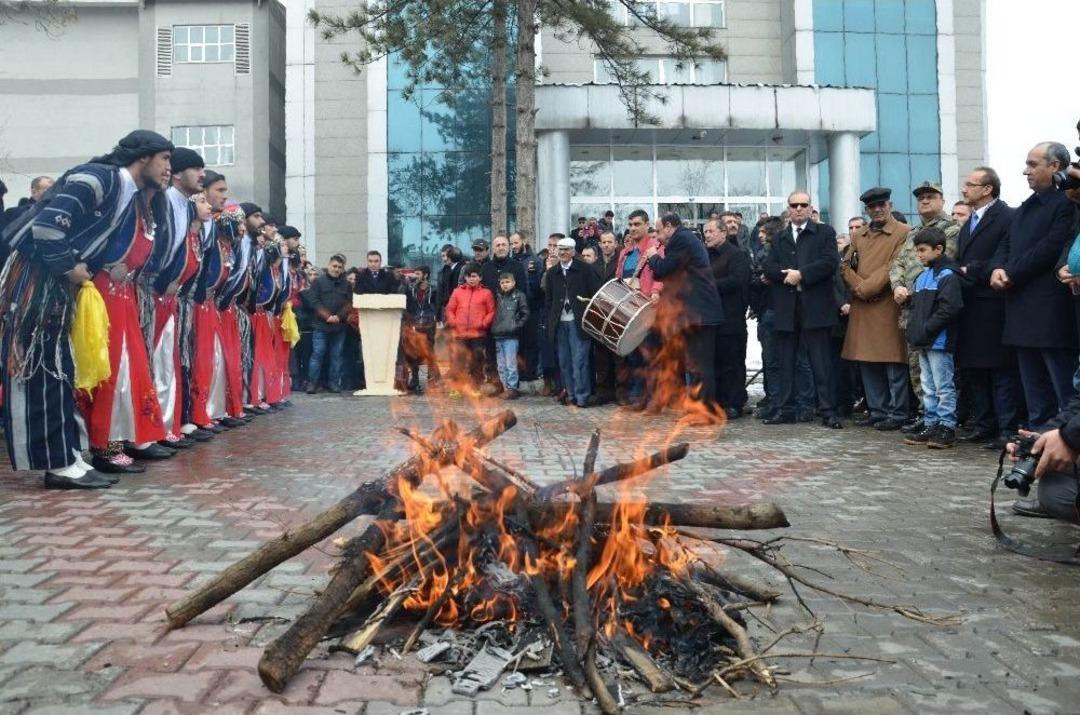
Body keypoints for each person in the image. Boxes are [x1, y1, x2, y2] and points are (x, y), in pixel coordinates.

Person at [0, 130, 175, 488]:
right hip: (38, 279)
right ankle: (57, 465)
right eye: (165, 159)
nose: (168, 168)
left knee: (61, 369)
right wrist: (71, 267)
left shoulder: (124, 190)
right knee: (41, 369)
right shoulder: (97, 178)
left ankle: (69, 456)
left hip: (57, 282)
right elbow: (48, 227)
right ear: (143, 157)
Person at [991, 142, 1080, 430]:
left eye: (1032, 164)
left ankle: (1066, 441)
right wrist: (997, 269)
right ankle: (1037, 439)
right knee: (1033, 390)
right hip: (1020, 308)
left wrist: (1011, 272)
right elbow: (1005, 243)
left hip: (1050, 311)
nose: (1025, 171)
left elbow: (1050, 248)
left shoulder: (1066, 204)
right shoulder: (1025, 207)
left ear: (1054, 166)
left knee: (1062, 387)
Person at [761, 192, 843, 429]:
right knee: (785, 361)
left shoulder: (824, 233)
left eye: (803, 205)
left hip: (815, 308)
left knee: (821, 362)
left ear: (810, 208)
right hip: (787, 309)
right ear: (788, 209)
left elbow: (829, 262)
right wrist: (786, 275)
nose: (798, 209)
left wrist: (802, 275)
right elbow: (769, 266)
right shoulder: (780, 237)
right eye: (793, 205)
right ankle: (785, 409)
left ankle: (828, 411)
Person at [954, 166, 1020, 448]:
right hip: (970, 305)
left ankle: (1006, 429)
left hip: (993, 305)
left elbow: (1004, 257)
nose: (964, 189)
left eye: (970, 184)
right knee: (976, 370)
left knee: (1000, 370)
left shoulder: (1007, 217)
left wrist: (972, 270)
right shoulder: (969, 222)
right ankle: (984, 424)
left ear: (987, 189)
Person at [889, 180, 961, 431]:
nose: (925, 201)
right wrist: (898, 286)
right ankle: (926, 416)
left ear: (942, 199)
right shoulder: (913, 233)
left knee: (940, 376)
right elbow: (897, 264)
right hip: (911, 310)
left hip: (933, 310)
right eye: (920, 198)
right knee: (918, 370)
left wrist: (912, 289)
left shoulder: (951, 230)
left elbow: (937, 263)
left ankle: (944, 422)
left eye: (931, 196)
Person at [841, 187, 912, 431]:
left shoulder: (904, 232)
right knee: (867, 361)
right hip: (863, 304)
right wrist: (860, 287)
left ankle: (898, 412)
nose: (878, 209)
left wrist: (867, 288)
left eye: (882, 204)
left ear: (890, 205)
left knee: (893, 362)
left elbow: (895, 265)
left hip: (888, 304)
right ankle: (877, 409)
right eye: (872, 207)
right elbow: (845, 266)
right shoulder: (859, 235)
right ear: (867, 210)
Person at [643, 213, 724, 416]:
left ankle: (705, 412)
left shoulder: (681, 239)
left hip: (701, 314)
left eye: (660, 231)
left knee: (702, 366)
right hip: (694, 314)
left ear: (669, 227)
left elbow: (663, 269)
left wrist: (653, 255)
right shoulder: (684, 239)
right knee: (695, 365)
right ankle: (697, 408)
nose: (658, 237)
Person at [902, 228, 964, 448]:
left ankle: (946, 426)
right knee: (928, 384)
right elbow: (916, 308)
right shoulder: (922, 276)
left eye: (923, 250)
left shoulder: (947, 275)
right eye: (917, 251)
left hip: (939, 340)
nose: (919, 255)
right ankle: (931, 422)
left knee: (943, 385)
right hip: (924, 340)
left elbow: (950, 308)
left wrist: (927, 329)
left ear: (939, 249)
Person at [543, 237, 601, 408]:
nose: (563, 253)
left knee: (580, 360)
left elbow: (595, 295)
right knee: (564, 361)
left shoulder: (585, 269)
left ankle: (582, 395)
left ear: (574, 251)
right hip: (560, 322)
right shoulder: (552, 273)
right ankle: (571, 394)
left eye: (567, 249)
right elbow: (549, 301)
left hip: (578, 322)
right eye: (560, 250)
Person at [704, 216, 750, 419]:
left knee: (733, 362)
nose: (707, 235)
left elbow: (737, 281)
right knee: (715, 363)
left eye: (711, 231)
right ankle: (717, 402)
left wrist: (709, 285)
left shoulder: (737, 255)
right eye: (705, 232)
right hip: (710, 319)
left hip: (731, 318)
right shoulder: (704, 256)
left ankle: (734, 403)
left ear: (723, 232)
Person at [445, 263, 495, 397]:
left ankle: (476, 388)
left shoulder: (486, 293)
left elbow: (491, 311)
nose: (471, 279)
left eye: (474, 276)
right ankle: (456, 388)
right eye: (468, 276)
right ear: (465, 277)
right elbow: (450, 309)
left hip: (478, 334)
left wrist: (483, 324)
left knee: (476, 362)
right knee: (458, 362)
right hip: (460, 334)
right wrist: (454, 322)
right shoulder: (457, 292)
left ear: (480, 277)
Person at [306, 253, 352, 394]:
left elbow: (349, 303)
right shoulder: (318, 282)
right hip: (320, 325)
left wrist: (338, 316)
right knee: (317, 354)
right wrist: (327, 316)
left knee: (336, 356)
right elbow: (314, 301)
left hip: (339, 326)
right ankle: (312, 384)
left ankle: (333, 384)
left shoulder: (347, 284)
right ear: (328, 265)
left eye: (339, 267)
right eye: (334, 266)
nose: (336, 269)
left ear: (343, 269)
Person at [588, 231, 621, 405]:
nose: (607, 245)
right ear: (599, 245)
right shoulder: (594, 266)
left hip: (617, 314)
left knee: (619, 356)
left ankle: (620, 392)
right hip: (599, 314)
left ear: (616, 244)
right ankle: (603, 391)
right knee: (601, 356)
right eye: (604, 242)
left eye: (610, 242)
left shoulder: (620, 263)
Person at [510, 231, 544, 385]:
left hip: (531, 305)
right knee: (519, 341)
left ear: (523, 241)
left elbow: (538, 285)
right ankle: (520, 371)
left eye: (515, 243)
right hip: (515, 306)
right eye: (511, 243)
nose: (513, 246)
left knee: (531, 340)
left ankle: (530, 373)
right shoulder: (511, 260)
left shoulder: (535, 260)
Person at [401, 265, 441, 393]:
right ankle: (415, 378)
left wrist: (437, 319)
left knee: (428, 351)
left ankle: (433, 378)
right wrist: (405, 283)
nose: (415, 276)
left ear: (426, 275)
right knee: (413, 352)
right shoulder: (410, 288)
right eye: (415, 274)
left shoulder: (433, 289)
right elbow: (402, 298)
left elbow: (439, 305)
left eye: (418, 274)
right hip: (414, 323)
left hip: (428, 324)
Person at [491, 271, 530, 400]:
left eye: (507, 282)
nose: (505, 285)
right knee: (501, 364)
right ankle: (504, 387)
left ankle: (512, 388)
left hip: (511, 336)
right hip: (498, 335)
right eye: (502, 282)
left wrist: (516, 325)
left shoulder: (519, 296)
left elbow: (525, 313)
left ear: (513, 283)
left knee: (510, 363)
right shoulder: (497, 296)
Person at [437, 244, 464, 322]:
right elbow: (440, 295)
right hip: (446, 311)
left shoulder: (462, 269)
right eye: (443, 256)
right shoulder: (443, 271)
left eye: (447, 255)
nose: (444, 259)